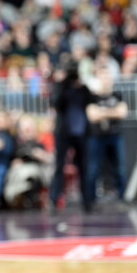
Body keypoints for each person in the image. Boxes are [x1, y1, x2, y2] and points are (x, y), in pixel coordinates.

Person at [49, 60, 92, 212]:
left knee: (84, 167)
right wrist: (64, 85)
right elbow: (55, 103)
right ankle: (54, 200)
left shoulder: (82, 88)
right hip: (64, 133)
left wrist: (82, 85)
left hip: (80, 132)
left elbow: (91, 99)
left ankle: (88, 202)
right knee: (59, 165)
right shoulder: (61, 87)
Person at [85, 65, 128, 208]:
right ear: (98, 78)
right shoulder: (93, 96)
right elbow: (92, 115)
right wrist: (112, 111)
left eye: (108, 76)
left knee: (120, 168)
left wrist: (102, 112)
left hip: (114, 135)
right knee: (94, 169)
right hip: (97, 137)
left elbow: (122, 113)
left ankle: (122, 198)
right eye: (103, 76)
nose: (106, 79)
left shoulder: (117, 94)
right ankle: (91, 200)